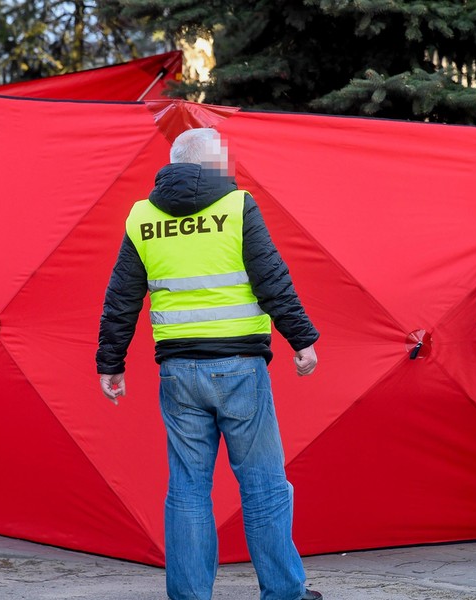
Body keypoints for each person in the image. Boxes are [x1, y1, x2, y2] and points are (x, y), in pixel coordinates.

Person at [95, 128, 322, 600]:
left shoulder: (142, 216)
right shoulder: (238, 206)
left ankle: (189, 596)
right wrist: (301, 338)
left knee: (188, 490)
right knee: (263, 485)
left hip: (177, 373)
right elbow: (271, 279)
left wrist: (110, 361)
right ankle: (283, 594)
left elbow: (121, 297)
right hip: (240, 367)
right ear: (212, 164)